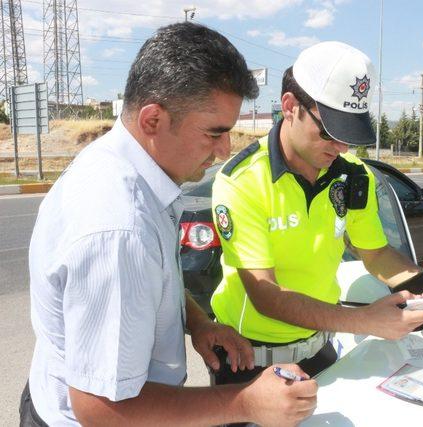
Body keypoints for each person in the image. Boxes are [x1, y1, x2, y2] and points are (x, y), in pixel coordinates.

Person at [22, 22, 317, 427]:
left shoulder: (126, 167)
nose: (224, 150)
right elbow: (101, 408)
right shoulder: (119, 227)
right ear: (153, 120)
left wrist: (196, 321)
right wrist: (246, 401)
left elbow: (151, 280)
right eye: (214, 133)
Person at [209, 41, 423, 387]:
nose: (342, 147)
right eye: (330, 131)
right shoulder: (243, 181)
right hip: (249, 364)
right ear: (290, 107)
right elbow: (266, 295)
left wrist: (417, 283)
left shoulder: (354, 174)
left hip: (321, 351)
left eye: (349, 134)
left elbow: (375, 253)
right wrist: (365, 320)